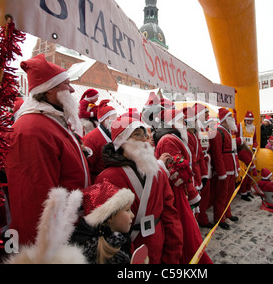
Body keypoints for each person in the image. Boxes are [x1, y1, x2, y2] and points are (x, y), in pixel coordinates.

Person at [5, 54, 90, 245]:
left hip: (70, 229)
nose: (72, 88)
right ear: (50, 88)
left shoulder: (50, 120)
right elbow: (34, 201)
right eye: (66, 84)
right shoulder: (32, 130)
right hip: (55, 238)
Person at [96, 113, 183, 264]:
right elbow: (105, 227)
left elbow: (170, 215)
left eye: (145, 135)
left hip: (158, 244)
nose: (145, 140)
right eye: (137, 135)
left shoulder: (159, 173)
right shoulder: (107, 178)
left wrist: (173, 253)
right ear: (122, 141)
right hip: (127, 249)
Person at [154, 108, 212, 264]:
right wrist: (192, 194)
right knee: (184, 229)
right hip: (178, 193)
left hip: (185, 189)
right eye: (181, 120)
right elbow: (177, 172)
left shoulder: (176, 137)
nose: (184, 123)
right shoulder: (169, 140)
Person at [70, 181, 135, 264]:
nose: (132, 215)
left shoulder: (122, 242)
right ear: (110, 217)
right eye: (127, 210)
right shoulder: (112, 255)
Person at [209, 108, 241, 230]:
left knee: (229, 192)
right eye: (231, 118)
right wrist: (221, 172)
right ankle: (219, 217)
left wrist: (236, 166)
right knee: (221, 194)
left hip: (231, 166)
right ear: (225, 120)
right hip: (225, 169)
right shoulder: (218, 132)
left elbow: (234, 151)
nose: (233, 120)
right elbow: (217, 154)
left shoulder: (228, 131)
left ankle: (227, 213)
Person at [83, 99, 117, 184]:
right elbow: (87, 168)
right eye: (113, 117)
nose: (116, 121)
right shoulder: (91, 139)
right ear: (104, 119)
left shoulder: (112, 134)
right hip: (97, 182)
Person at [236, 110, 258, 201]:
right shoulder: (239, 126)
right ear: (245, 120)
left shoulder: (253, 128)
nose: (249, 122)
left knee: (250, 174)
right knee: (245, 175)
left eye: (251, 120)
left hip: (250, 152)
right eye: (247, 120)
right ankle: (243, 192)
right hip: (242, 152)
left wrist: (254, 148)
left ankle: (248, 191)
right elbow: (235, 139)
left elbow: (255, 140)